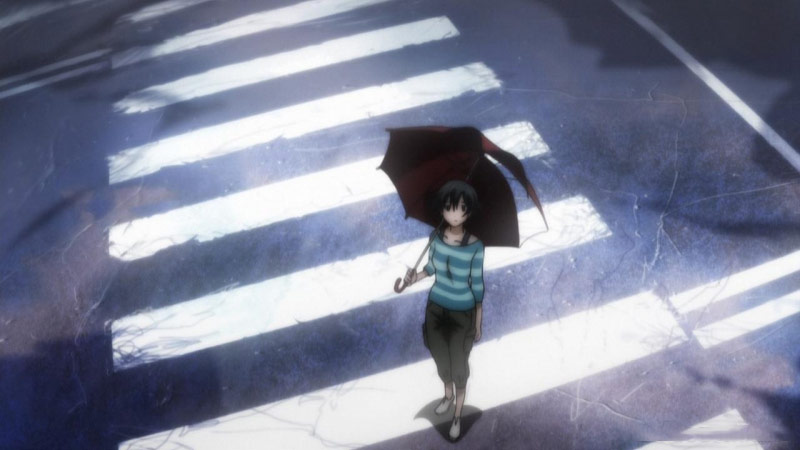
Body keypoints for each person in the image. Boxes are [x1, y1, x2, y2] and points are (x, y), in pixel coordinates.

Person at [403, 180, 484, 441]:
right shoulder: (435, 238)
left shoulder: (475, 246)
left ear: (469, 212)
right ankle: (447, 395)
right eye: (449, 208)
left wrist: (478, 321)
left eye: (461, 209)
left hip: (462, 313)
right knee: (440, 358)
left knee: (459, 365)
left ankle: (457, 414)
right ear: (442, 209)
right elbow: (431, 268)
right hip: (436, 308)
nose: (454, 214)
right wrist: (413, 278)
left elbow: (477, 285)